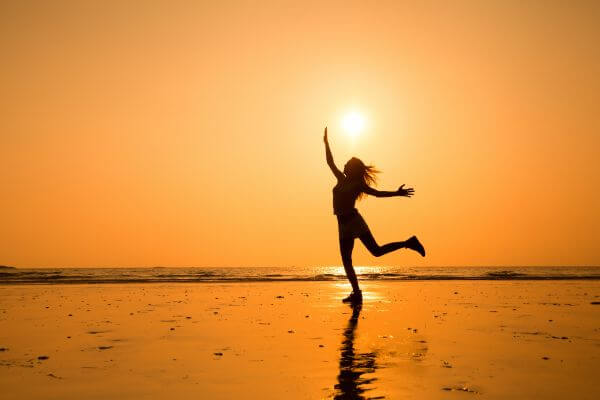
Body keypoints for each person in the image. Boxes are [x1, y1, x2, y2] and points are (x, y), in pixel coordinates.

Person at [324, 126, 425, 304]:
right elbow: (330, 162)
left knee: (376, 251)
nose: (344, 164)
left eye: (348, 163)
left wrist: (396, 193)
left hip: (355, 221)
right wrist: (326, 143)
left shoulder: (357, 184)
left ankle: (408, 243)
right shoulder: (341, 179)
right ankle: (356, 293)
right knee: (346, 260)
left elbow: (377, 194)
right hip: (342, 224)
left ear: (353, 168)